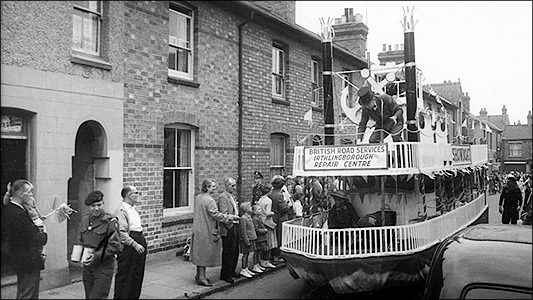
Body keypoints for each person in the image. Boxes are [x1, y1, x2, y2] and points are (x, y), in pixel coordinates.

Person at [1, 180, 48, 299]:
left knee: (23, 292)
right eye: (29, 192)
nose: (32, 195)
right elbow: (37, 238)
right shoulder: (19, 214)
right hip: (28, 261)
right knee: (28, 294)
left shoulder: (10, 208)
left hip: (20, 259)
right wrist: (42, 229)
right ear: (21, 194)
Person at [190, 179, 238, 286]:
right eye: (212, 186)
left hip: (198, 228)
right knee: (204, 254)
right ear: (206, 187)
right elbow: (216, 215)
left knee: (199, 253)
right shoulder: (209, 200)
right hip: (206, 229)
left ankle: (199, 275)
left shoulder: (199, 197)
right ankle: (202, 277)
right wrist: (230, 217)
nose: (215, 188)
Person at [78, 190, 122, 299]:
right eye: (93, 206)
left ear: (103, 204)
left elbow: (115, 246)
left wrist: (95, 256)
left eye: (99, 205)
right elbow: (80, 240)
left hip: (103, 267)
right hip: (88, 268)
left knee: (98, 297)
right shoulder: (85, 220)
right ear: (88, 206)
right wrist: (78, 255)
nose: (96, 208)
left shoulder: (110, 221)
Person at [114, 186, 146, 299]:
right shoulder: (121, 211)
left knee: (137, 274)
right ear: (128, 195)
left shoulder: (133, 209)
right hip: (129, 245)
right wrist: (135, 245)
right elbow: (122, 233)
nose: (138, 195)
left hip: (139, 239)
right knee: (126, 275)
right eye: (135, 193)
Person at [217, 177, 241, 283]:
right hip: (229, 227)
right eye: (232, 186)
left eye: (235, 185)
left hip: (235, 224)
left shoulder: (232, 196)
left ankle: (232, 270)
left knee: (235, 249)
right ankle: (225, 274)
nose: (234, 188)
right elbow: (223, 214)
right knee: (228, 251)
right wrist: (230, 226)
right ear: (226, 186)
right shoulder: (223, 197)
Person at [256, 184, 277, 269]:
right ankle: (266, 261)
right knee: (269, 242)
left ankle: (262, 260)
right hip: (268, 222)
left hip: (261, 221)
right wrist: (273, 213)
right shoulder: (268, 200)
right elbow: (268, 213)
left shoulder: (260, 199)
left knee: (264, 242)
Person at [269, 175, 289, 262]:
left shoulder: (270, 193)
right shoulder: (280, 195)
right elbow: (283, 208)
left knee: (273, 237)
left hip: (272, 217)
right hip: (280, 217)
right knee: (280, 236)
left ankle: (272, 255)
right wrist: (288, 205)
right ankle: (278, 255)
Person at [238, 202, 259, 278]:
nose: (251, 208)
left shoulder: (249, 217)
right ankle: (243, 269)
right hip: (247, 239)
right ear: (246, 209)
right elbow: (243, 231)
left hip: (252, 238)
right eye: (249, 206)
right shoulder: (243, 218)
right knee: (245, 254)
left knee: (249, 253)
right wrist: (246, 241)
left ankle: (246, 268)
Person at [251, 204, 268, 272]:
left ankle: (257, 264)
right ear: (254, 212)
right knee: (256, 251)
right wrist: (264, 230)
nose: (261, 210)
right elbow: (256, 229)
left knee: (259, 251)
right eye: (259, 209)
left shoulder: (259, 217)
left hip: (262, 237)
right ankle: (255, 265)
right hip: (259, 238)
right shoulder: (255, 219)